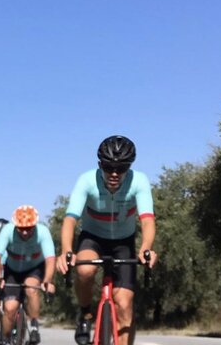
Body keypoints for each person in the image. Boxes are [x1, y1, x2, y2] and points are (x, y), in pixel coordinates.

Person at [55, 135, 158, 345]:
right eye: (108, 167)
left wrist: (146, 249)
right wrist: (66, 251)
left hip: (123, 242)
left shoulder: (139, 181)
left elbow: (147, 220)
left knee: (125, 305)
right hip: (92, 238)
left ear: (129, 167)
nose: (114, 173)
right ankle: (85, 313)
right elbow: (70, 219)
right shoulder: (86, 181)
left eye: (121, 168)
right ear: (100, 164)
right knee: (85, 270)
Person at [0, 205, 56, 345]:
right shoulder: (7, 231)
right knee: (10, 308)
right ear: (15, 225)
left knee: (31, 288)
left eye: (29, 228)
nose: (25, 232)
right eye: (21, 229)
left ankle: (34, 326)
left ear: (35, 225)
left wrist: (47, 281)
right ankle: (6, 338)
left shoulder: (43, 232)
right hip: (12, 271)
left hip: (34, 269)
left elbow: (50, 260)